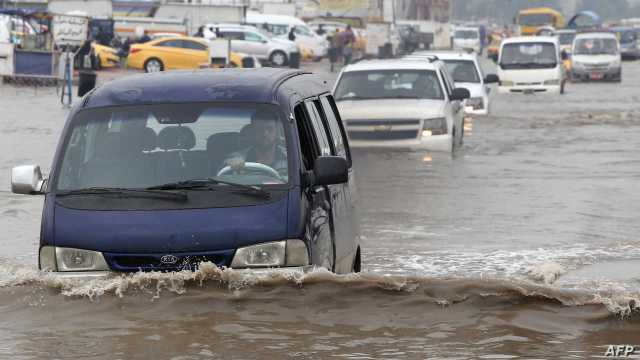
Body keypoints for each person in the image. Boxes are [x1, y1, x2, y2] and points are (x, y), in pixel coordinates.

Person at [223, 112, 287, 177]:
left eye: (270, 129)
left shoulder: (288, 158)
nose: (265, 134)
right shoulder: (238, 157)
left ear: (276, 132)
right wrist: (230, 166)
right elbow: (220, 178)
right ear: (253, 132)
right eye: (260, 129)